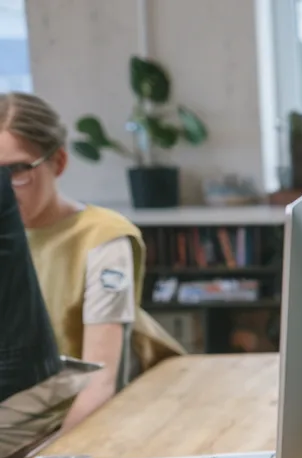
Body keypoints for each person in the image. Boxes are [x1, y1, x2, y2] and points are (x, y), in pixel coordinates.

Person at [0, 92, 183, 433]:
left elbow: (100, 382)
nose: (3, 190)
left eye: (16, 171)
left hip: (61, 425)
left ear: (58, 162)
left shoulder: (102, 238)